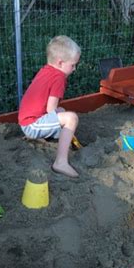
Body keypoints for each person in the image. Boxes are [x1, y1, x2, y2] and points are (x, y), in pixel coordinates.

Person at [18, 35, 81, 178]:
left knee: (62, 112)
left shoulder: (47, 70)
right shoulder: (59, 77)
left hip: (27, 122)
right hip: (32, 125)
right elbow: (50, 109)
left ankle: (52, 137)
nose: (74, 68)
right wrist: (64, 122)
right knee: (71, 118)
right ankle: (61, 162)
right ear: (60, 62)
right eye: (72, 65)